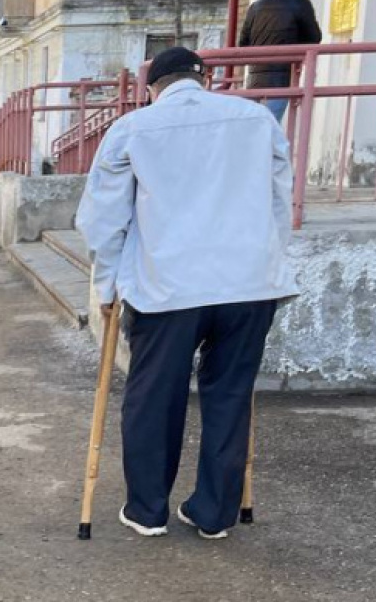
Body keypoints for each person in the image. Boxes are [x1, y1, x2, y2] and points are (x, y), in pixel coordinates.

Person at [76, 47, 298, 541]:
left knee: (154, 397)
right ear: (207, 78)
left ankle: (148, 509)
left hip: (166, 286)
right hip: (248, 283)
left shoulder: (134, 127)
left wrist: (107, 285)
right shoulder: (256, 120)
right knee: (230, 395)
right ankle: (214, 513)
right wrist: (270, 259)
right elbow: (280, 199)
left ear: (152, 87)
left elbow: (103, 219)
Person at [239, 0, 323, 122]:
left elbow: (243, 44)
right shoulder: (301, 4)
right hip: (282, 80)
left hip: (254, 81)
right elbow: (314, 37)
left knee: (256, 127)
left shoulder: (256, 6)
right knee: (270, 127)